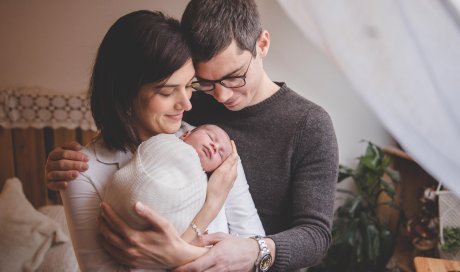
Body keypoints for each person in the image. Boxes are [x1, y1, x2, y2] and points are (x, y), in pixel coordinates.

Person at [46, 0, 339, 270]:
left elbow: (314, 235)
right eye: (205, 83)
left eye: (234, 76)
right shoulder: (192, 115)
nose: (221, 95)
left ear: (262, 44)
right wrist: (64, 164)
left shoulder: (308, 125)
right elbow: (131, 130)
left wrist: (248, 250)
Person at [55, 10, 264, 272]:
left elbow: (255, 254)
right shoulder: (84, 172)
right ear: (125, 93)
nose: (186, 103)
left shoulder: (212, 146)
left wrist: (175, 254)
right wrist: (210, 206)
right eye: (167, 91)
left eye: (190, 85)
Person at [105, 124, 233, 237]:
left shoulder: (205, 186)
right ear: (186, 134)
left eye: (220, 154)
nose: (214, 146)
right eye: (210, 137)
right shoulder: (165, 141)